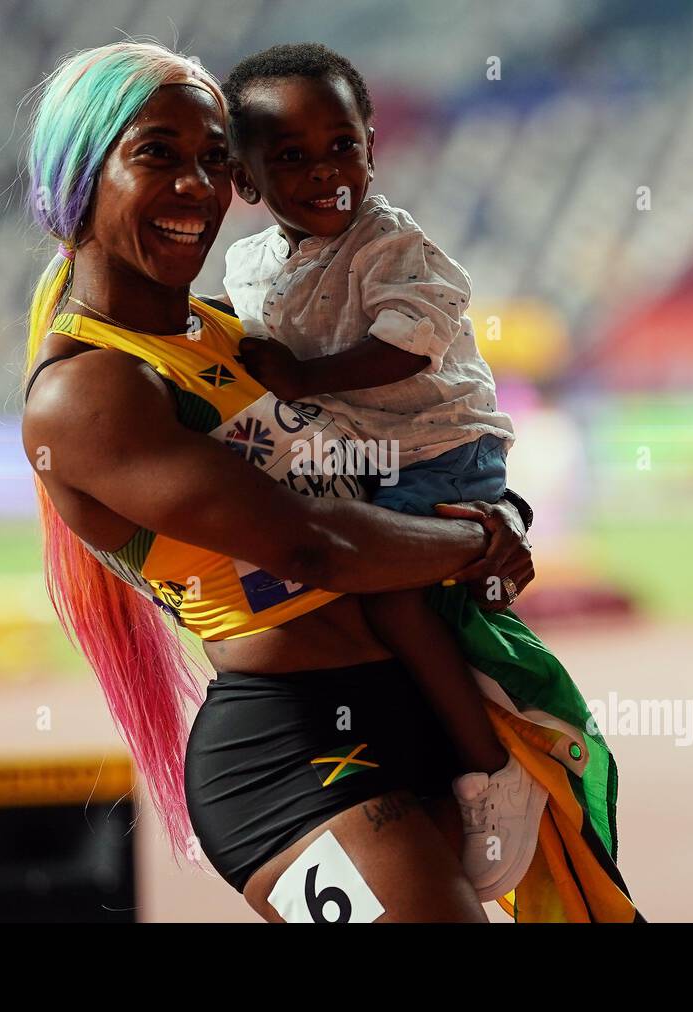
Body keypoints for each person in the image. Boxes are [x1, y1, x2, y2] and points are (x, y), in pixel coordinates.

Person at [20, 40, 639, 923]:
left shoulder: (231, 333)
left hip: (421, 702)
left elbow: (417, 426)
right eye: (156, 154)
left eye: (211, 158)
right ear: (76, 177)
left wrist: (500, 507)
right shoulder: (86, 390)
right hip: (292, 756)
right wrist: (479, 541)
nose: (195, 187)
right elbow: (318, 544)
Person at [219, 42, 546, 897]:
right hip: (358, 461)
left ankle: (491, 767)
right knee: (369, 596)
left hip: (439, 448)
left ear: (372, 147)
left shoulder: (390, 243)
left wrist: (306, 378)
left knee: (395, 592)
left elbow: (409, 342)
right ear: (244, 181)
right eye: (289, 156)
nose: (325, 170)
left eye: (343, 145)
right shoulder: (246, 268)